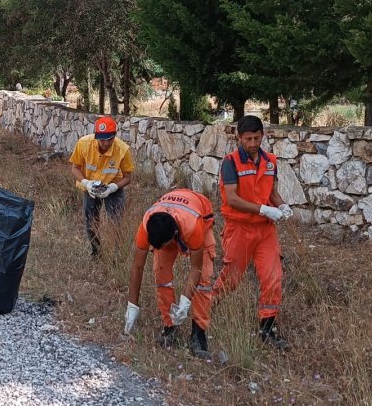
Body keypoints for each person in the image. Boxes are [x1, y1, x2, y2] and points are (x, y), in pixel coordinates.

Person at [214, 115, 292, 350]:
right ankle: (203, 312)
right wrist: (264, 209)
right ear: (239, 138)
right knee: (231, 279)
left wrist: (282, 205)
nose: (252, 143)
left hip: (265, 231)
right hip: (239, 228)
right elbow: (232, 199)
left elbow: (272, 192)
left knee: (273, 277)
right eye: (248, 139)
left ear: (262, 136)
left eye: (257, 138)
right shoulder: (230, 162)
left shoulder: (270, 161)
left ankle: (267, 329)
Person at [124, 189, 217, 359]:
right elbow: (137, 266)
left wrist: (185, 300)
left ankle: (199, 334)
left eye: (162, 245)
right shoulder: (147, 225)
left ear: (174, 236)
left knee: (204, 280)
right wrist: (132, 306)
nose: (158, 250)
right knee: (161, 275)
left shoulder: (192, 225)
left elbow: (196, 267)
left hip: (200, 216)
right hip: (171, 221)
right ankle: (170, 327)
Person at [69, 116, 134, 257]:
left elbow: (128, 178)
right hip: (90, 186)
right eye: (102, 139)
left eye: (110, 139)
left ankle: (118, 255)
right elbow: (75, 168)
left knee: (116, 220)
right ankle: (96, 252)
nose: (105, 143)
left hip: (113, 187)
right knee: (91, 219)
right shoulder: (83, 144)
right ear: (96, 135)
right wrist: (86, 183)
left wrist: (112, 188)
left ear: (115, 136)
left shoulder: (122, 150)